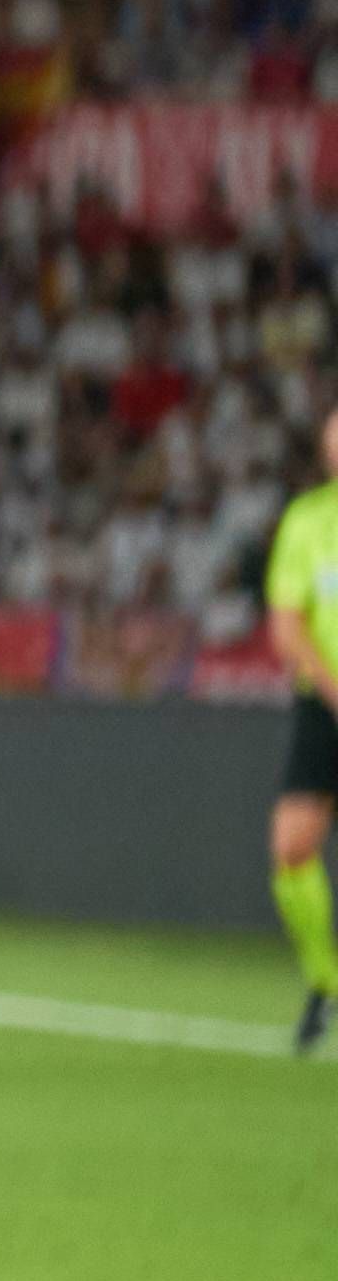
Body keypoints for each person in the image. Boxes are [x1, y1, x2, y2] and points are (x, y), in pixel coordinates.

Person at [271, 408, 338, 1057]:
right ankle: (326, 981)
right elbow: (288, 624)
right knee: (292, 848)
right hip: (325, 707)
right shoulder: (309, 520)